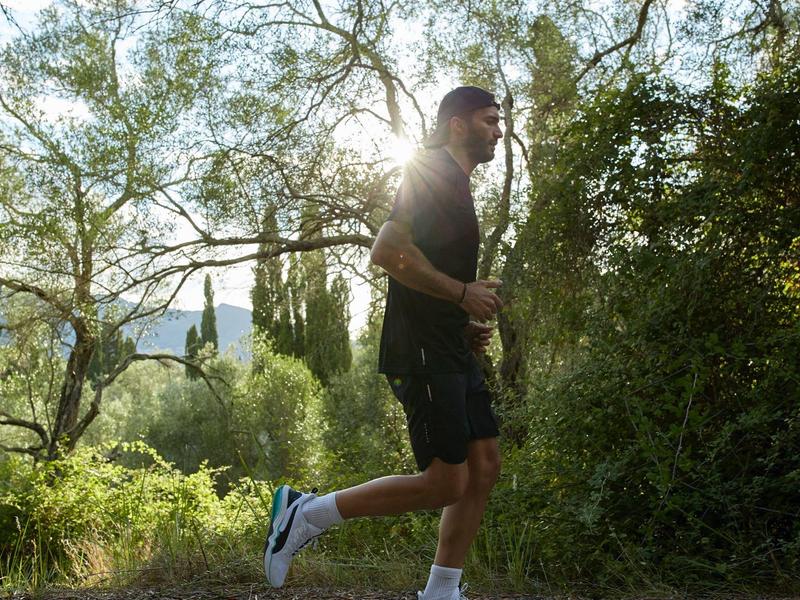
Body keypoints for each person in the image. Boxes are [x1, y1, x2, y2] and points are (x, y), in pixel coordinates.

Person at [263, 86, 505, 600]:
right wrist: (463, 294)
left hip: (447, 343)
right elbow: (387, 251)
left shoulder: (457, 183)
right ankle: (305, 514)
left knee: (484, 466)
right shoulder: (433, 171)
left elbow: (425, 270)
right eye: (488, 121)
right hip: (421, 350)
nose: (498, 131)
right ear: (457, 125)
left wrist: (461, 320)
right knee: (446, 482)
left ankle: (442, 591)